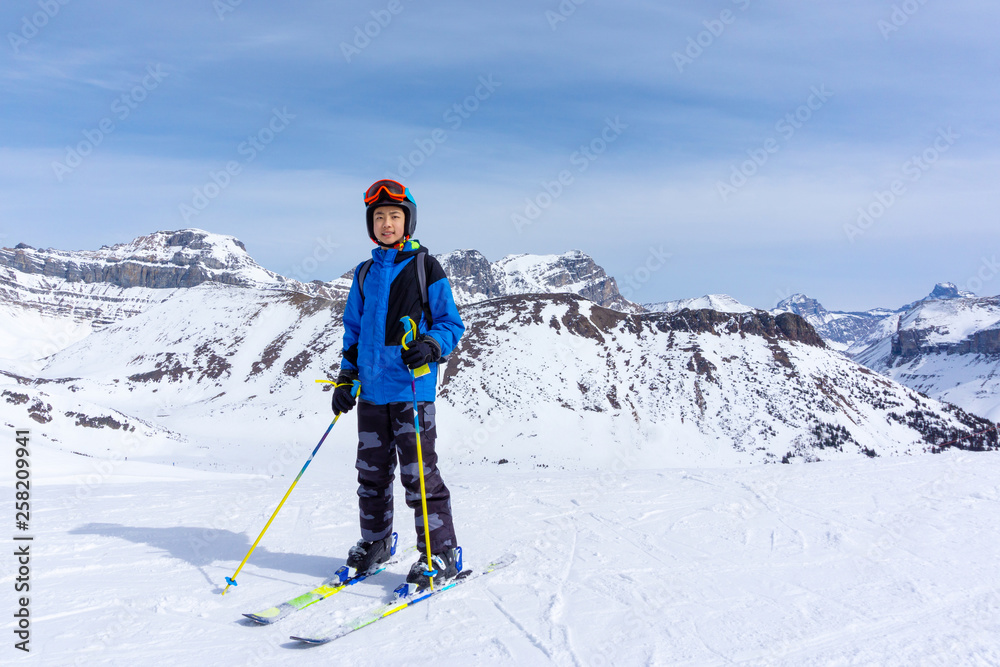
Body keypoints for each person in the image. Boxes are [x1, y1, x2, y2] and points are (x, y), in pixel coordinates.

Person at [331, 179, 466, 590]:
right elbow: (353, 331)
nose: (386, 223)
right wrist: (346, 378)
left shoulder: (426, 268)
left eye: (394, 216)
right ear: (371, 225)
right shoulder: (365, 273)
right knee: (371, 475)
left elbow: (451, 325)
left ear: (407, 221)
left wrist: (429, 345)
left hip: (411, 391)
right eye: (379, 217)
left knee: (419, 477)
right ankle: (376, 544)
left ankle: (440, 553)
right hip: (372, 392)